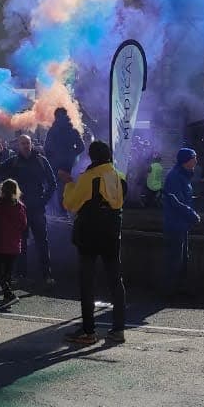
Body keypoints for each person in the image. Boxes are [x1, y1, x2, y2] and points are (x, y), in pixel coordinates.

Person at [62, 140, 128, 346]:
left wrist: (68, 183)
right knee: (115, 281)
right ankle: (118, 329)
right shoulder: (119, 177)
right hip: (112, 234)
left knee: (87, 282)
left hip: (89, 235)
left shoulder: (89, 177)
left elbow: (70, 204)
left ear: (92, 157)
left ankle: (88, 331)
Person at [0, 133, 58, 286]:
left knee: (42, 242)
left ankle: (47, 275)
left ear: (31, 144)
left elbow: (52, 183)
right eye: (23, 143)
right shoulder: (14, 161)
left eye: (27, 143)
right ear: (18, 145)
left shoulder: (41, 160)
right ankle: (21, 274)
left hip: (37, 209)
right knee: (20, 242)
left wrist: (43, 201)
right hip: (19, 209)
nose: (25, 146)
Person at [160, 147, 201, 300]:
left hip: (182, 224)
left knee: (182, 259)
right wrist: (192, 214)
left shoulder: (183, 175)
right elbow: (176, 201)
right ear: (186, 160)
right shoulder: (175, 176)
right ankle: (169, 292)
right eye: (193, 158)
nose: (196, 161)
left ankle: (179, 289)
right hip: (175, 224)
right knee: (174, 259)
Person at [0, 178, 28, 302]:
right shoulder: (20, 206)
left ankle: (7, 292)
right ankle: (7, 295)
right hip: (14, 244)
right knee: (8, 271)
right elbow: (23, 225)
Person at [45, 107, 83, 206]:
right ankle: (67, 207)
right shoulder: (73, 130)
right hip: (69, 165)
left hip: (56, 167)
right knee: (68, 188)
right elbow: (81, 147)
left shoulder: (52, 131)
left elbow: (47, 149)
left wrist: (53, 161)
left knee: (56, 189)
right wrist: (72, 154)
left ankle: (61, 209)